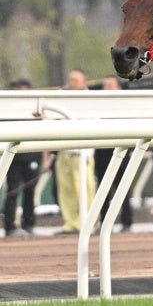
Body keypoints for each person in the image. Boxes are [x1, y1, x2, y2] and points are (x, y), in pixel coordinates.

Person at [53, 69, 96, 233]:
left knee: (85, 189)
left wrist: (88, 153)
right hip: (64, 152)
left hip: (82, 153)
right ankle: (70, 223)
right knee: (66, 190)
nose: (72, 83)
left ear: (84, 82)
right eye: (70, 79)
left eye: (76, 80)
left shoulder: (91, 100)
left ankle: (87, 223)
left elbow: (94, 127)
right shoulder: (61, 98)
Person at [92, 76, 134, 232]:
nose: (107, 88)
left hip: (122, 150)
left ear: (119, 87)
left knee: (122, 188)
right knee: (103, 188)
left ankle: (127, 221)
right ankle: (103, 222)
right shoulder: (97, 105)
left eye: (110, 85)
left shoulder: (126, 104)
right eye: (105, 85)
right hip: (102, 151)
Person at [3, 77, 41, 237]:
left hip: (32, 156)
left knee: (30, 192)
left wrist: (45, 157)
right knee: (12, 192)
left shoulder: (36, 108)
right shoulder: (6, 109)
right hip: (12, 158)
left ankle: (29, 224)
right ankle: (10, 226)